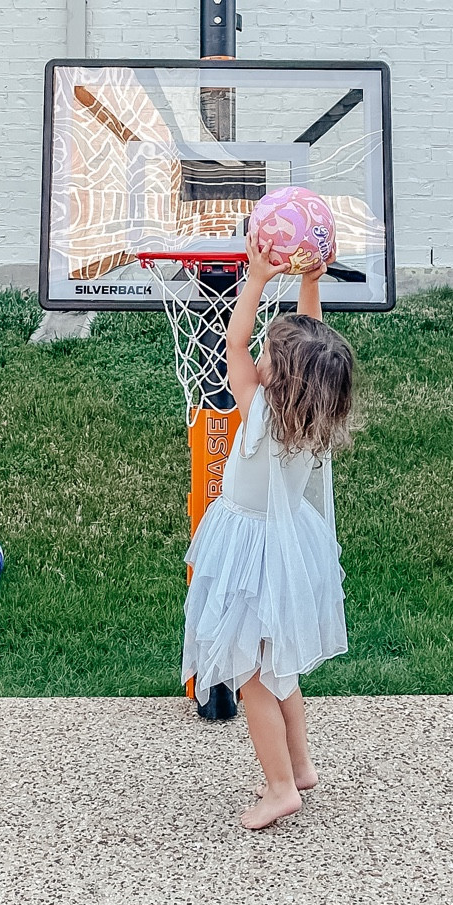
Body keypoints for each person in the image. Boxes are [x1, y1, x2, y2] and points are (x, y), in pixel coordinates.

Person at [181, 231, 355, 829]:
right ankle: (301, 766)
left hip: (246, 545)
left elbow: (231, 343)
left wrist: (255, 278)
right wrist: (309, 282)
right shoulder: (313, 412)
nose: (260, 357)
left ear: (280, 376)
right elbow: (311, 344)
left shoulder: (256, 403)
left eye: (270, 356)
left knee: (248, 675)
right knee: (279, 669)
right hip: (284, 545)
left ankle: (280, 787)